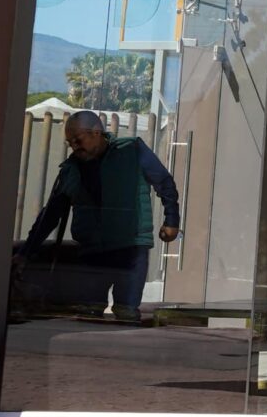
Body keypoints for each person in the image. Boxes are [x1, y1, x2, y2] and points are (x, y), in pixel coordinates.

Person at [19, 109, 180, 319]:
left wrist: (172, 220)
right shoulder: (71, 169)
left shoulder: (132, 150)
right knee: (88, 312)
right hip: (92, 253)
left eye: (78, 140)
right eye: (70, 143)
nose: (74, 147)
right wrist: (25, 253)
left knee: (126, 312)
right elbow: (50, 214)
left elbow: (165, 182)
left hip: (130, 249)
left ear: (96, 132)